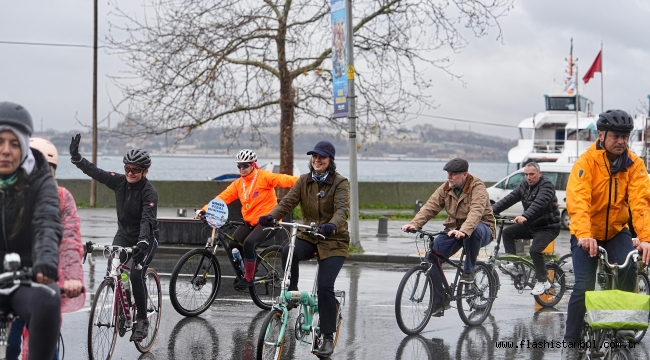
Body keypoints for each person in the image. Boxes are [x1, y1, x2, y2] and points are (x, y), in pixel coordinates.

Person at [562, 109, 650, 358]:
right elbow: (578, 201)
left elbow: (641, 202)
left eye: (625, 136)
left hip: (616, 232)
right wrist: (584, 234)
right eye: (615, 135)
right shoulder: (586, 163)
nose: (621, 141)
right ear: (601, 135)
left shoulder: (635, 164)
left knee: (629, 267)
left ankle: (623, 325)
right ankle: (571, 340)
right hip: (586, 233)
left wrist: (645, 239)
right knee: (583, 286)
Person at [258, 140, 349, 358]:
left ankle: (327, 335)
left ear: (330, 161)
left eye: (322, 157)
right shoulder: (303, 181)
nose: (317, 160)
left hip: (333, 240)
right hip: (309, 236)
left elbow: (342, 210)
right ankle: (293, 292)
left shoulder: (340, 183)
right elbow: (287, 202)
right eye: (314, 156)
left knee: (325, 286)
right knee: (289, 249)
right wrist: (272, 216)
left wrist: (332, 225)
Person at [69, 133, 158, 342]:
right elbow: (96, 172)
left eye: (135, 170)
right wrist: (76, 158)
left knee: (136, 275)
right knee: (114, 268)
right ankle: (121, 301)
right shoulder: (119, 182)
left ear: (145, 171)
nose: (130, 172)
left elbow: (147, 220)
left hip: (146, 238)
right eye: (127, 168)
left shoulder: (149, 192)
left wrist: (143, 242)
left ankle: (142, 320)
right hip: (124, 235)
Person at [6, 138, 85, 360]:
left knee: (46, 347)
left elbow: (70, 240)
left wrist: (71, 277)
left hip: (44, 281)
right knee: (7, 346)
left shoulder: (61, 198)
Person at [0, 101, 62, 360]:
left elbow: (47, 221)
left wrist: (45, 262)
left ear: (24, 146)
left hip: (25, 276)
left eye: (14, 144)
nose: (5, 151)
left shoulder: (40, 180)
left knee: (48, 301)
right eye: (0, 141)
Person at [401, 158, 495, 315]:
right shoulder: (446, 188)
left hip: (482, 228)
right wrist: (415, 224)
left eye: (453, 174)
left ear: (465, 175)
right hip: (454, 229)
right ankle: (439, 302)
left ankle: (469, 271)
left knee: (473, 232)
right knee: (432, 258)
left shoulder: (477, 187)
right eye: (448, 174)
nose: (449, 177)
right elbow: (430, 207)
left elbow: (476, 212)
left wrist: (464, 230)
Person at [196, 149, 298, 290]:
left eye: (245, 165)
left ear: (253, 165)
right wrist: (204, 209)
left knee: (249, 243)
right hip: (250, 222)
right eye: (239, 166)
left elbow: (284, 180)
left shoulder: (264, 177)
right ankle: (248, 269)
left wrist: (305, 181)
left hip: (268, 221)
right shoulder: (239, 184)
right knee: (233, 244)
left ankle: (249, 277)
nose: (242, 169)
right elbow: (222, 198)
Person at [491, 161, 561, 295]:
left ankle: (543, 281)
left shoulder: (546, 186)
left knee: (535, 250)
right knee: (507, 233)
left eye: (532, 174)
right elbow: (510, 198)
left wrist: (525, 216)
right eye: (526, 174)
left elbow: (539, 203)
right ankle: (515, 266)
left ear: (539, 174)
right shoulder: (524, 185)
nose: (528, 177)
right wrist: (490, 211)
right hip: (532, 225)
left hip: (548, 227)